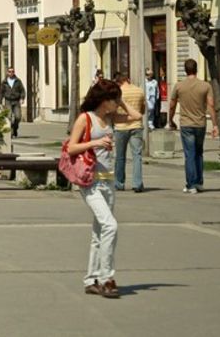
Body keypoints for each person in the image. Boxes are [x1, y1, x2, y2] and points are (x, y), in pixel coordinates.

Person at [67, 78, 122, 299]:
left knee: (99, 232)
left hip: (108, 180)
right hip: (90, 181)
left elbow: (138, 116)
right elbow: (71, 147)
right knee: (110, 226)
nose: (117, 103)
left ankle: (91, 279)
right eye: (113, 99)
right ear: (102, 100)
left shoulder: (108, 118)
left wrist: (120, 99)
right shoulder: (85, 118)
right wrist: (95, 143)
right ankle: (107, 278)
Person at [169, 58, 218, 193]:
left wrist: (170, 119)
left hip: (186, 124)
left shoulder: (179, 86)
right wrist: (215, 125)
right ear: (196, 69)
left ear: (185, 70)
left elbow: (172, 104)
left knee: (189, 154)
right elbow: (211, 105)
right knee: (199, 153)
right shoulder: (205, 86)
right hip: (200, 123)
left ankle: (190, 184)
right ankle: (199, 182)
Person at [113, 71, 146, 192]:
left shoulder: (118, 93)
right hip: (136, 126)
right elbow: (143, 109)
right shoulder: (139, 90)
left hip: (121, 127)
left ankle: (119, 183)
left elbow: (113, 110)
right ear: (128, 79)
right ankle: (137, 183)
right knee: (137, 156)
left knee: (120, 157)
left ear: (119, 81)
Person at [0, 67, 25, 138]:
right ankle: (11, 132)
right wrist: (0, 101)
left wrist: (22, 98)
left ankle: (15, 128)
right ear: (7, 73)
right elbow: (1, 92)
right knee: (9, 116)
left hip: (16, 101)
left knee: (18, 117)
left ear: (14, 72)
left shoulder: (18, 81)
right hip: (8, 101)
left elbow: (22, 90)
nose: (11, 73)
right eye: (9, 71)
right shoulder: (4, 82)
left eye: (12, 71)